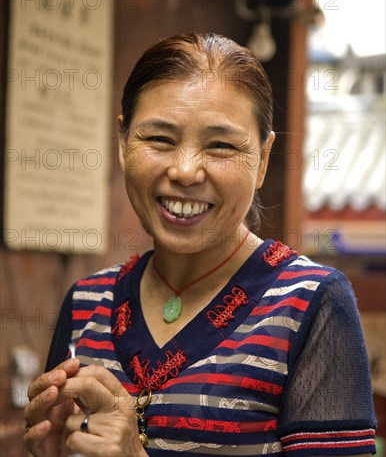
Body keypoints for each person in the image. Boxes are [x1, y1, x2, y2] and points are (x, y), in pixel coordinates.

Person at [24, 33, 376, 457]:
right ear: (122, 143)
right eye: (159, 139)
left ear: (263, 159)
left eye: (221, 146)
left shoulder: (312, 305)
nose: (186, 171)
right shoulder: (86, 302)